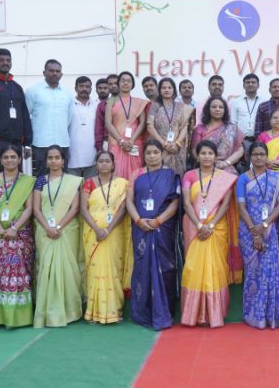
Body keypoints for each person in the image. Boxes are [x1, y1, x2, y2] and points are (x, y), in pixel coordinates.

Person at [180, 141, 238, 328]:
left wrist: (210, 225)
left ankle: (214, 313)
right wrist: (199, 225)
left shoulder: (225, 177)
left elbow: (225, 205)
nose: (206, 156)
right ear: (197, 156)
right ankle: (193, 314)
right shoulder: (189, 175)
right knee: (193, 267)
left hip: (216, 226)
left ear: (215, 156)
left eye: (210, 153)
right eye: (203, 153)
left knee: (216, 268)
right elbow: (187, 203)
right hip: (193, 225)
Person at [236, 141, 279, 329]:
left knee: (270, 272)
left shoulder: (276, 177)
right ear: (249, 157)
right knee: (254, 273)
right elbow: (241, 207)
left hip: (270, 230)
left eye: (262, 154)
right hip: (248, 231)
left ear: (267, 157)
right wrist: (254, 231)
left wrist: (265, 225)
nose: (259, 157)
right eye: (255, 154)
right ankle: (254, 315)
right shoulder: (243, 179)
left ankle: (272, 315)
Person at [125, 140, 180, 330]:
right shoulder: (137, 174)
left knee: (165, 267)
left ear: (162, 154)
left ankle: (165, 310)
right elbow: (129, 201)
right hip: (140, 228)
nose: (152, 156)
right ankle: (143, 312)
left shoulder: (171, 174)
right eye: (148, 152)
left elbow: (175, 203)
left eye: (156, 152)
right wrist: (138, 220)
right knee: (142, 266)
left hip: (162, 227)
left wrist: (158, 221)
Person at [0, 144, 36, 328]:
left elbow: (29, 208)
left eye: (13, 157)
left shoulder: (28, 181)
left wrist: (14, 228)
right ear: (0, 160)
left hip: (21, 232)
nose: (10, 160)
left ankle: (21, 317)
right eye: (6, 157)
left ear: (20, 159)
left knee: (20, 272)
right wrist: (1, 230)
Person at [32, 145, 83, 328]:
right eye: (50, 158)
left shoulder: (73, 181)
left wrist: (59, 226)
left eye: (57, 158)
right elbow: (36, 208)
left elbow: (75, 208)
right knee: (46, 268)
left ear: (63, 161)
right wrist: (48, 227)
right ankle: (46, 312)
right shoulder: (40, 181)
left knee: (68, 268)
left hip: (66, 230)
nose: (53, 161)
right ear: (46, 161)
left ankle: (70, 311)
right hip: (45, 230)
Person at [80, 151, 130, 324]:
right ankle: (94, 312)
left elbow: (123, 208)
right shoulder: (89, 183)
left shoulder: (122, 184)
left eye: (107, 161)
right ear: (96, 164)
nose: (104, 164)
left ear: (113, 164)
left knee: (114, 268)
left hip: (114, 232)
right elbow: (83, 209)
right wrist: (97, 229)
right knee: (94, 270)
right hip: (93, 233)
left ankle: (115, 309)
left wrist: (108, 229)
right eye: (101, 161)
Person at [26, 59, 74, 176]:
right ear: (44, 73)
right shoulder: (33, 91)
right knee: (41, 177)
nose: (54, 73)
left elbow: (69, 118)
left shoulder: (67, 93)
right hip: (41, 143)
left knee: (61, 176)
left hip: (62, 142)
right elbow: (26, 117)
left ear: (61, 74)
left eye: (57, 71)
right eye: (51, 70)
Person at [105, 71, 150, 180]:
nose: (126, 83)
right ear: (118, 83)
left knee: (136, 175)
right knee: (117, 174)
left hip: (134, 143)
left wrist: (131, 140)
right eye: (123, 81)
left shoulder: (139, 102)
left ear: (132, 84)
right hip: (116, 142)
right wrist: (121, 141)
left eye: (129, 81)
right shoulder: (111, 102)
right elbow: (108, 123)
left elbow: (142, 123)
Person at [146, 77, 194, 176]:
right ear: (159, 90)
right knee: (160, 176)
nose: (167, 90)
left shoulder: (181, 106)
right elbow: (150, 126)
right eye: (164, 88)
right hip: (160, 147)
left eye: (169, 87)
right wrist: (164, 144)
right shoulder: (155, 106)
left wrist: (177, 143)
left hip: (177, 148)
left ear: (174, 90)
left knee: (178, 177)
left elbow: (185, 127)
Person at [190, 96, 245, 174]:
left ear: (225, 110)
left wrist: (226, 162)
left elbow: (240, 150)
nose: (217, 109)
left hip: (226, 167)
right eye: (214, 107)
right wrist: (207, 163)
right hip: (204, 166)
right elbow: (194, 151)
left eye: (221, 107)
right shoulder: (200, 129)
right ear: (208, 109)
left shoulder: (232, 128)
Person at [68, 76, 100, 178]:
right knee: (73, 187)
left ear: (91, 89)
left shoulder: (97, 105)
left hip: (92, 154)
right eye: (81, 86)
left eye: (87, 86)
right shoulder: (69, 104)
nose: (84, 89)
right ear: (75, 88)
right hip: (73, 154)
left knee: (90, 186)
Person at [229, 73, 262, 150]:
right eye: (248, 82)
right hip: (241, 141)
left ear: (258, 85)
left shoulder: (264, 101)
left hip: (259, 140)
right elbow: (233, 123)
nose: (250, 84)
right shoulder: (235, 102)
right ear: (244, 86)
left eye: (253, 82)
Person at [95, 74, 118, 152]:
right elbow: (99, 128)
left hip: (127, 142)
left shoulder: (130, 102)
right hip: (108, 142)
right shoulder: (102, 105)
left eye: (116, 83)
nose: (113, 86)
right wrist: (99, 148)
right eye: (110, 84)